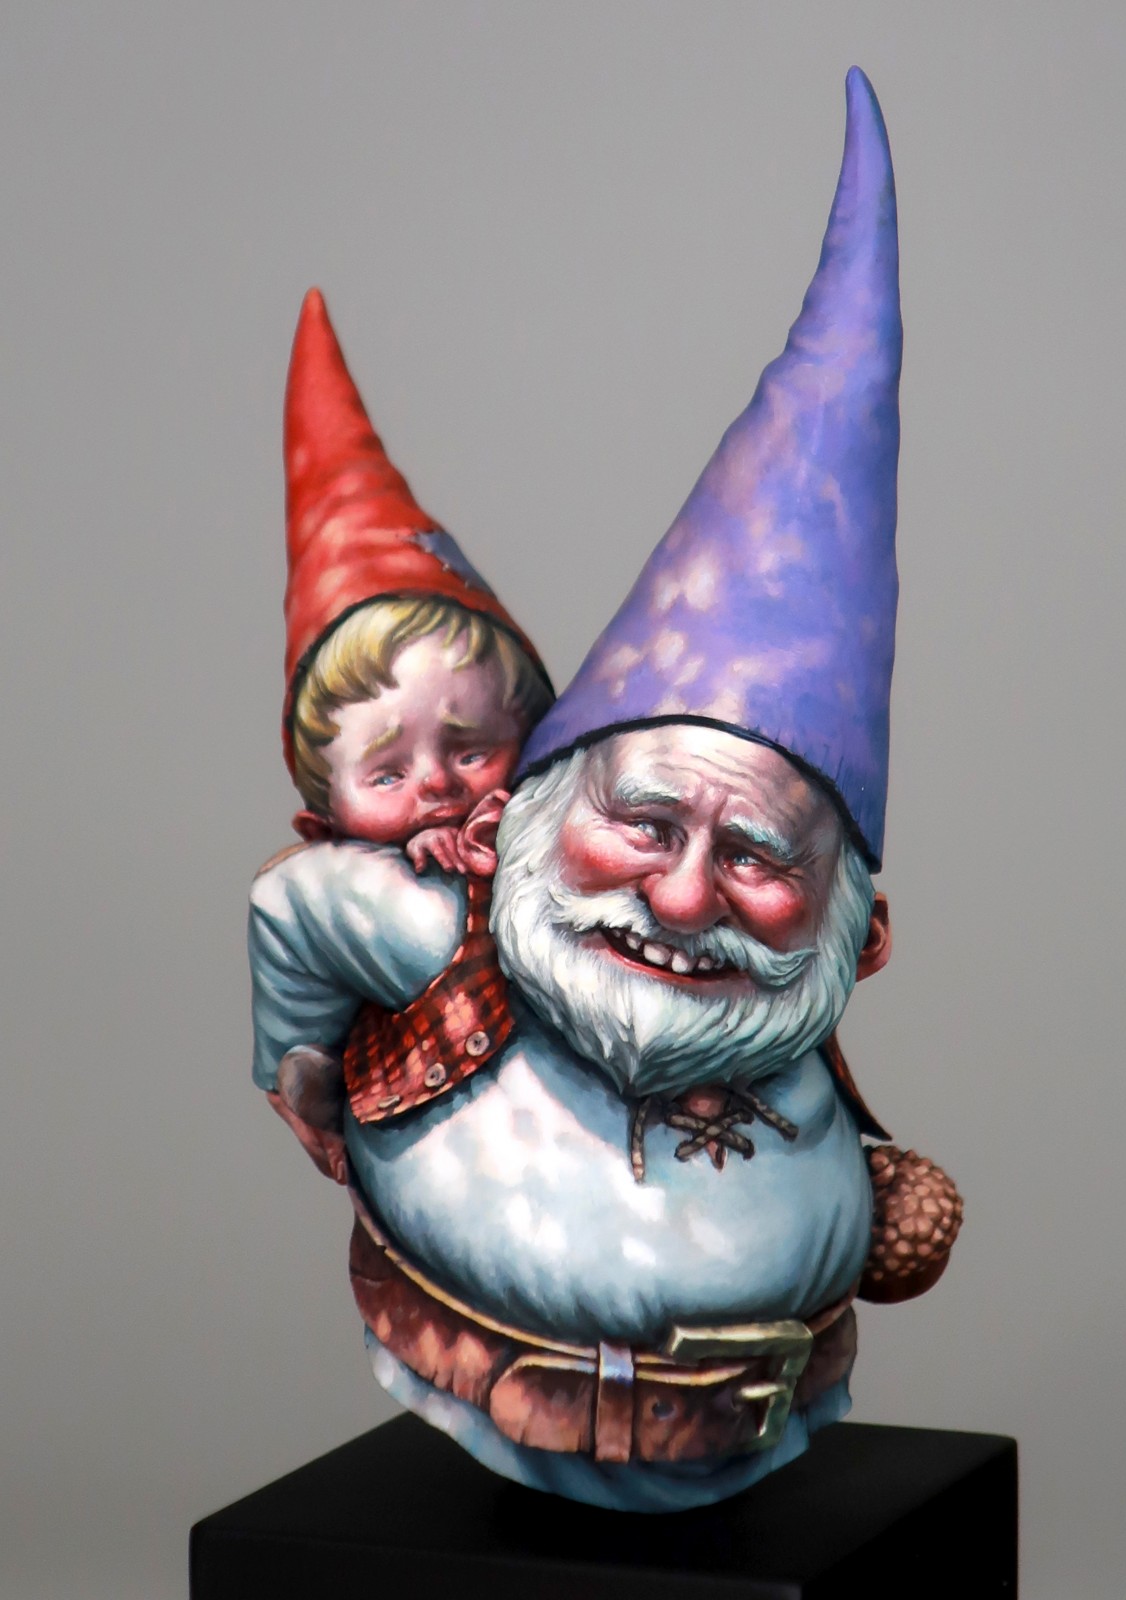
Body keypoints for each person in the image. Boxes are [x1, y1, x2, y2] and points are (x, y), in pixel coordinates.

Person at [248, 71, 961, 1510]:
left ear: (850, 913)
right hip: (484, 1414)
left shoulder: (783, 1009)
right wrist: (305, 1076)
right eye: (642, 824)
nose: (684, 897)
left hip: (772, 1446)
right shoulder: (439, 930)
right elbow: (295, 907)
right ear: (538, 808)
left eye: (756, 855)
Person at [261, 287, 552, 1177]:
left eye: (471, 750)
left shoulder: (562, 814)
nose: (436, 784)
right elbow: (293, 925)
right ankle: (311, 1085)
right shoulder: (353, 894)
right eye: (386, 773)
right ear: (324, 804)